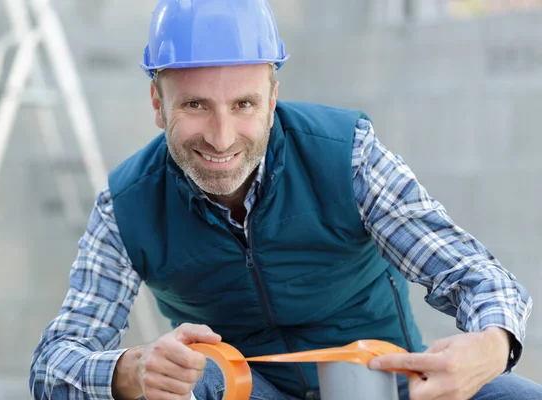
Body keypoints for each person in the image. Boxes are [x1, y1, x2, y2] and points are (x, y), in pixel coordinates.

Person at [29, 0, 541, 399]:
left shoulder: (348, 157)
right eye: (195, 105)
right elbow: (52, 366)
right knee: (192, 378)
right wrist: (133, 370)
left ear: (272, 101)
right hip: (242, 391)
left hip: (385, 385)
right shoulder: (125, 206)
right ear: (158, 105)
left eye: (244, 103)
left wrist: (491, 346)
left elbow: (478, 277)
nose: (222, 137)